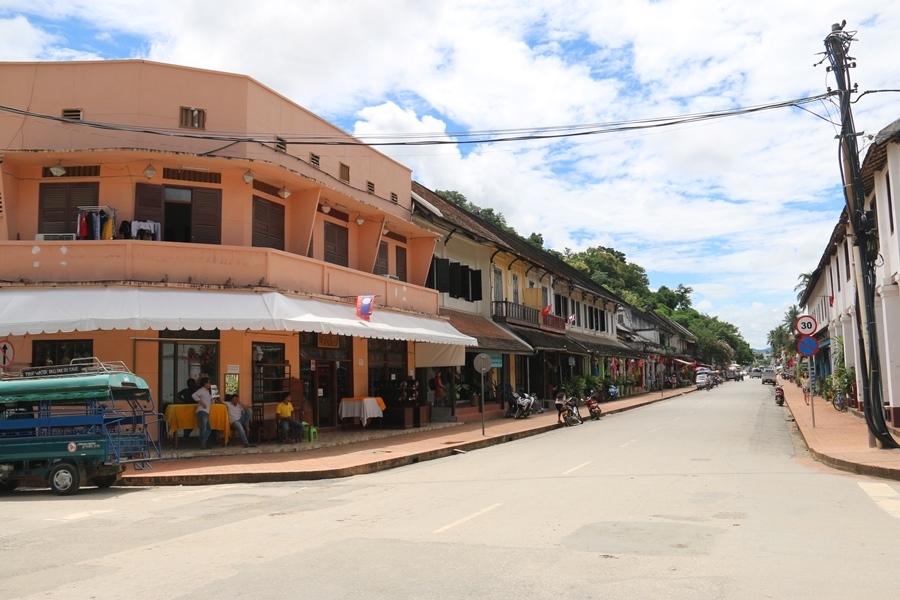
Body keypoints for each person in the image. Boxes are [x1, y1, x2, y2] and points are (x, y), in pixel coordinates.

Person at [192, 376, 213, 449]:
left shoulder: (207, 392)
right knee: (204, 427)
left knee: (208, 428)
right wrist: (200, 402)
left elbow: (210, 401)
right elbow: (194, 395)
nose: (210, 384)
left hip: (206, 411)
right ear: (205, 384)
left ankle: (204, 442)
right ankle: (202, 443)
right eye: (209, 383)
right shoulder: (201, 390)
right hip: (202, 411)